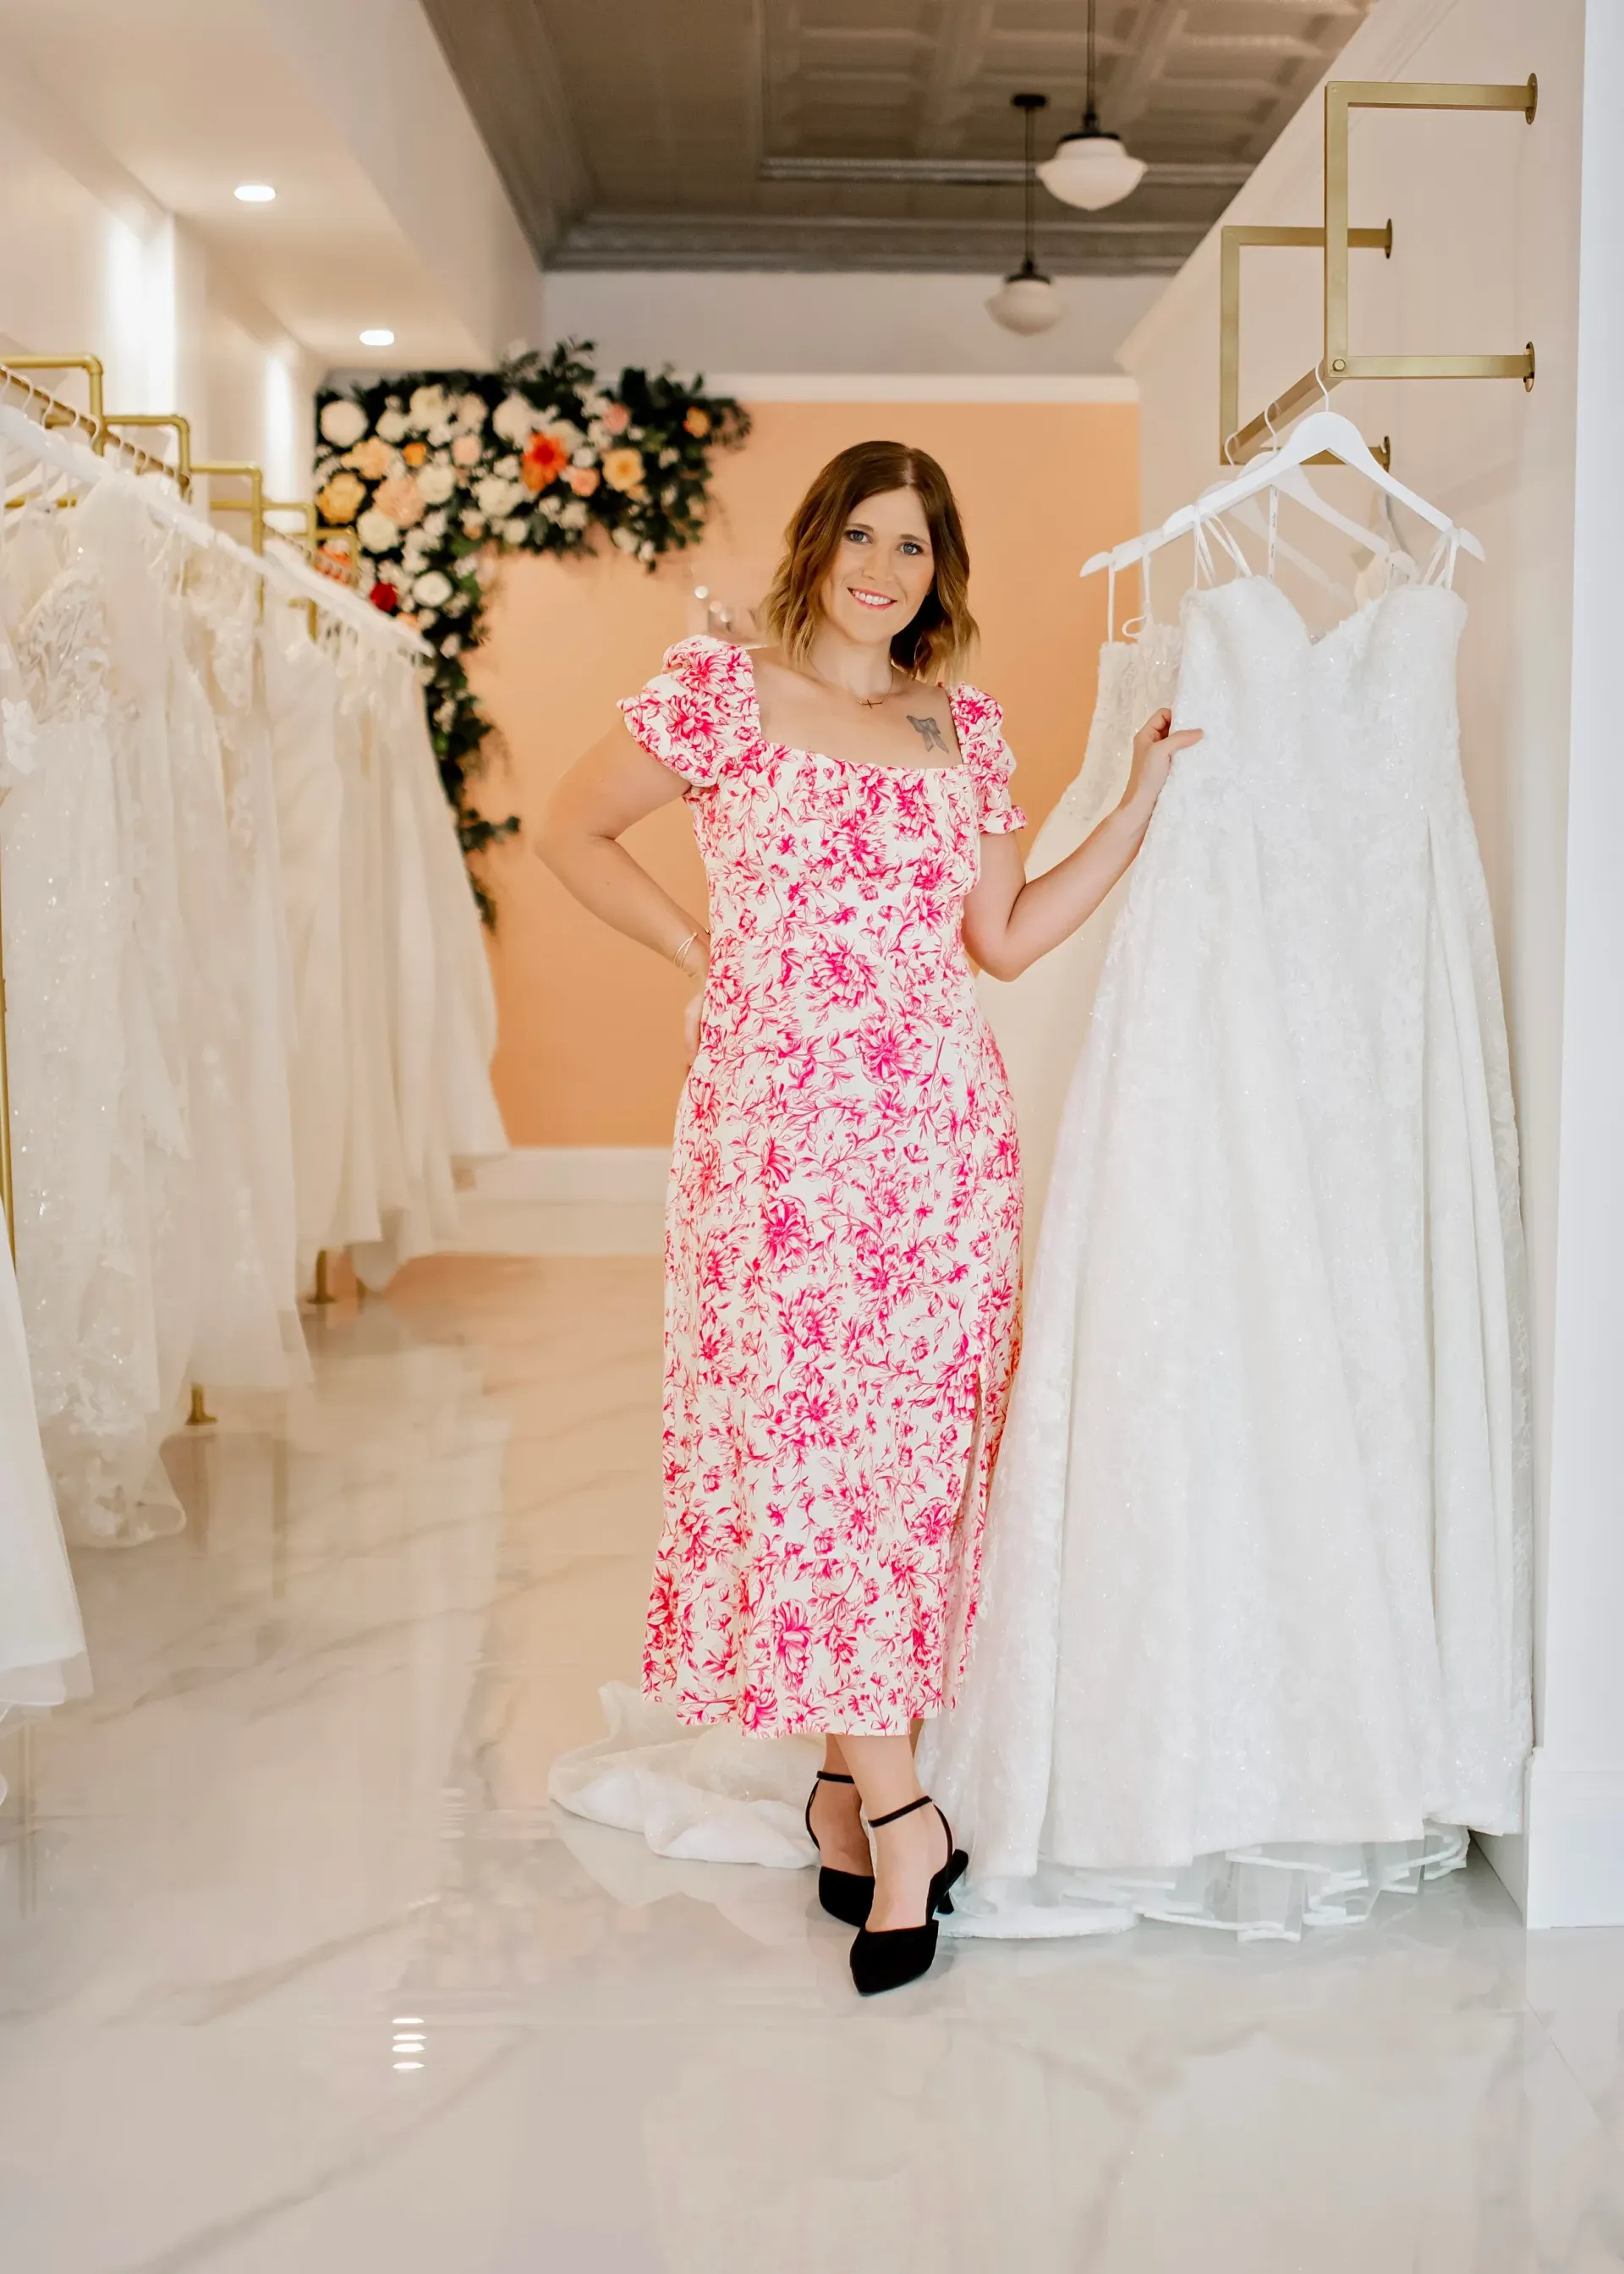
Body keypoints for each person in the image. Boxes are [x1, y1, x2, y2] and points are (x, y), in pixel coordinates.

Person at [539, 439, 1197, 1993]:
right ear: (819, 541)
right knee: (802, 1454)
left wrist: (1143, 798)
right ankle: (905, 1813)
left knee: (902, 1464)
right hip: (772, 1145)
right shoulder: (717, 690)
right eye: (866, 535)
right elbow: (570, 832)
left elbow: (1011, 936)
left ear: (935, 572)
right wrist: (709, 952)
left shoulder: (959, 723)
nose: (887, 569)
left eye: (917, 546)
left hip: (936, 1141)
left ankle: (850, 1784)